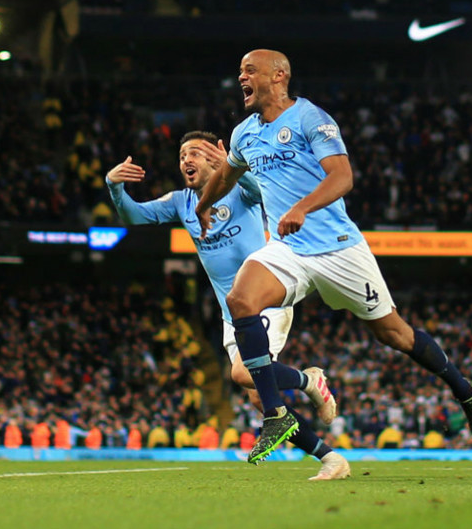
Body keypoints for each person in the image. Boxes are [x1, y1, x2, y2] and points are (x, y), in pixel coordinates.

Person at [194, 49, 472, 464]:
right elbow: (226, 176)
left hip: (338, 247)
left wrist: (302, 208)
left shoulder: (310, 119)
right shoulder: (244, 133)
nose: (241, 77)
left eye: (250, 70)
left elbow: (343, 176)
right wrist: (202, 204)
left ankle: (468, 394)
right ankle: (276, 414)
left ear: (278, 76)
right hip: (288, 249)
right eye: (240, 71)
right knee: (241, 299)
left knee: (395, 335)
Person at [106, 130, 350, 480]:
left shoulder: (238, 189)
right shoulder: (181, 202)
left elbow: (260, 192)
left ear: (212, 159)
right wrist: (114, 186)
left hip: (266, 297)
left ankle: (309, 381)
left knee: (241, 373)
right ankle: (330, 459)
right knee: (258, 399)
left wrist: (235, 168)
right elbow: (134, 216)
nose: (186, 161)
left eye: (194, 153)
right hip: (232, 314)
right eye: (181, 156)